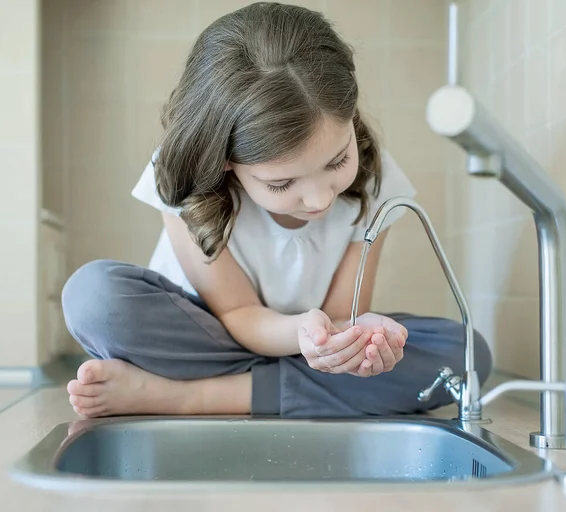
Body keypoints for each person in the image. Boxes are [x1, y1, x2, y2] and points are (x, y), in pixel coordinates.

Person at [61, 2, 492, 419]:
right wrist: (302, 333)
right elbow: (237, 315)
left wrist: (348, 341)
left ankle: (179, 395)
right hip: (208, 335)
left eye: (337, 161)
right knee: (96, 298)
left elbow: (345, 316)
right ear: (226, 161)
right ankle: (279, 392)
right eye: (282, 183)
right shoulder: (186, 176)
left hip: (298, 350)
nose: (320, 199)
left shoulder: (377, 180)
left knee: (464, 355)